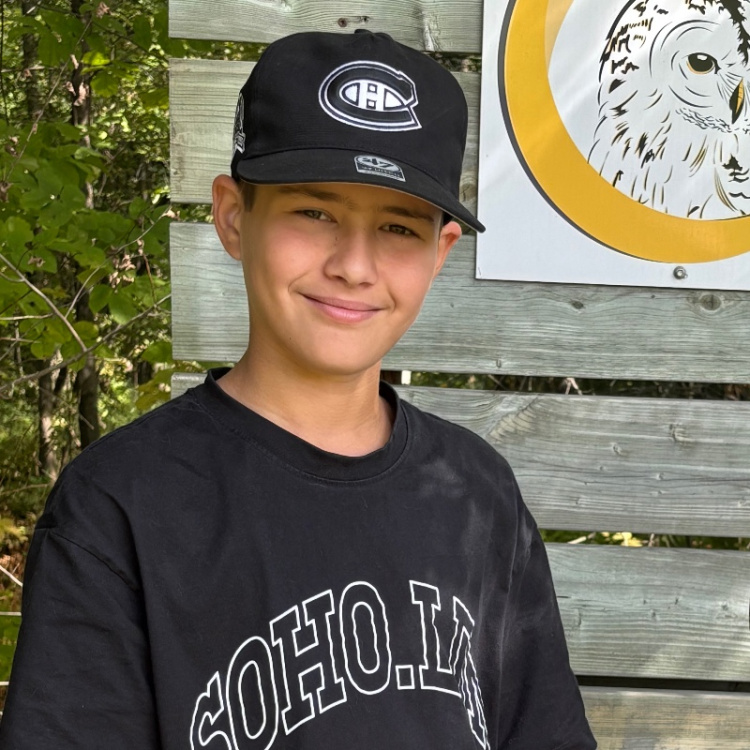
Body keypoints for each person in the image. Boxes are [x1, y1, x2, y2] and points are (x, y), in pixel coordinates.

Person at [0, 30, 596, 750]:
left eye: (399, 227)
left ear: (439, 252)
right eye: (314, 213)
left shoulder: (477, 492)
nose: (354, 265)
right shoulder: (121, 503)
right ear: (232, 217)